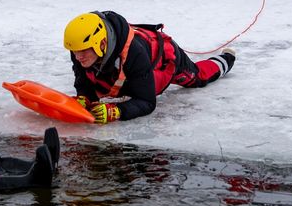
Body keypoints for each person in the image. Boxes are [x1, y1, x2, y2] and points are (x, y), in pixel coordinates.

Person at [63, 11, 235, 123]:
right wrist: (85, 97)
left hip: (165, 58)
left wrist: (117, 111)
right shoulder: (80, 48)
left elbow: (147, 102)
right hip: (125, 69)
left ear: (101, 43)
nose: (78, 57)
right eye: (74, 52)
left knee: (198, 78)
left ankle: (226, 59)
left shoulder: (134, 54)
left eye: (83, 52)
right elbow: (83, 79)